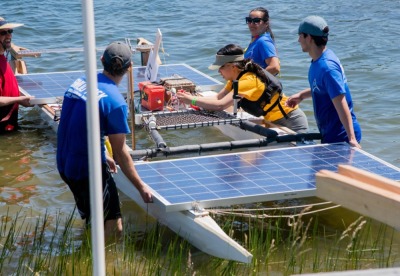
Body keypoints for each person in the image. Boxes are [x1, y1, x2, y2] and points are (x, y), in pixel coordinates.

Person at [56, 41, 153, 241]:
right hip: (86, 170)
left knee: (95, 218)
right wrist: (141, 187)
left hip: (64, 163)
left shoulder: (79, 82)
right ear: (129, 68)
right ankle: (101, 265)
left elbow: (77, 127)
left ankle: (86, 254)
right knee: (113, 227)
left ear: (102, 61)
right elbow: (120, 152)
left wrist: (102, 153)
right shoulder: (116, 102)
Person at [177, 44, 308, 134]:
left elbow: (220, 105)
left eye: (221, 67)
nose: (218, 71)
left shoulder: (247, 81)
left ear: (232, 66)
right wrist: (194, 97)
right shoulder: (234, 79)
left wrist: (192, 101)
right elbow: (218, 98)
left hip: (291, 120)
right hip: (273, 119)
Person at [285, 16, 361, 148]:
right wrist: (302, 95)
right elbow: (325, 87)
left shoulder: (327, 67)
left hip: (342, 137)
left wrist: (352, 139)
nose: (298, 40)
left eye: (300, 36)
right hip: (330, 133)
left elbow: (340, 101)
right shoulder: (319, 60)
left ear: (309, 38)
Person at [0, 17, 32, 133]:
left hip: (9, 125)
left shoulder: (2, 55)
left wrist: (19, 100)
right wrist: (19, 98)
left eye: (10, 31)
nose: (9, 36)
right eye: (3, 32)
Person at [244, 7, 280, 75]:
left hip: (259, 84)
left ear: (266, 23)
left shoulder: (263, 41)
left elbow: (275, 67)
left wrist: (255, 79)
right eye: (249, 20)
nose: (251, 24)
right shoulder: (256, 40)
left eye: (256, 21)